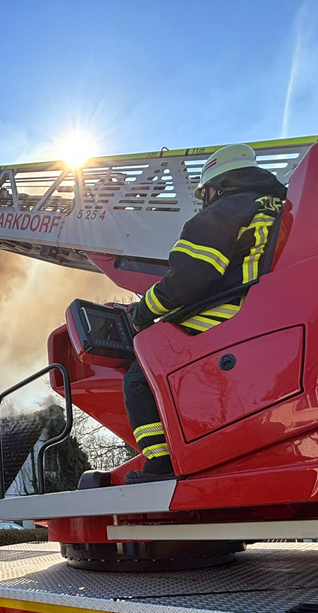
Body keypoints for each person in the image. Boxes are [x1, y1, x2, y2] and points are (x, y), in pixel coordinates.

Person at [123, 143, 287, 485]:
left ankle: (162, 463)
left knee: (141, 377)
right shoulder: (283, 206)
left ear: (216, 186)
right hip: (266, 313)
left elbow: (187, 281)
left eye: (206, 192)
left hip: (227, 314)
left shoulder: (224, 211)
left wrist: (142, 312)